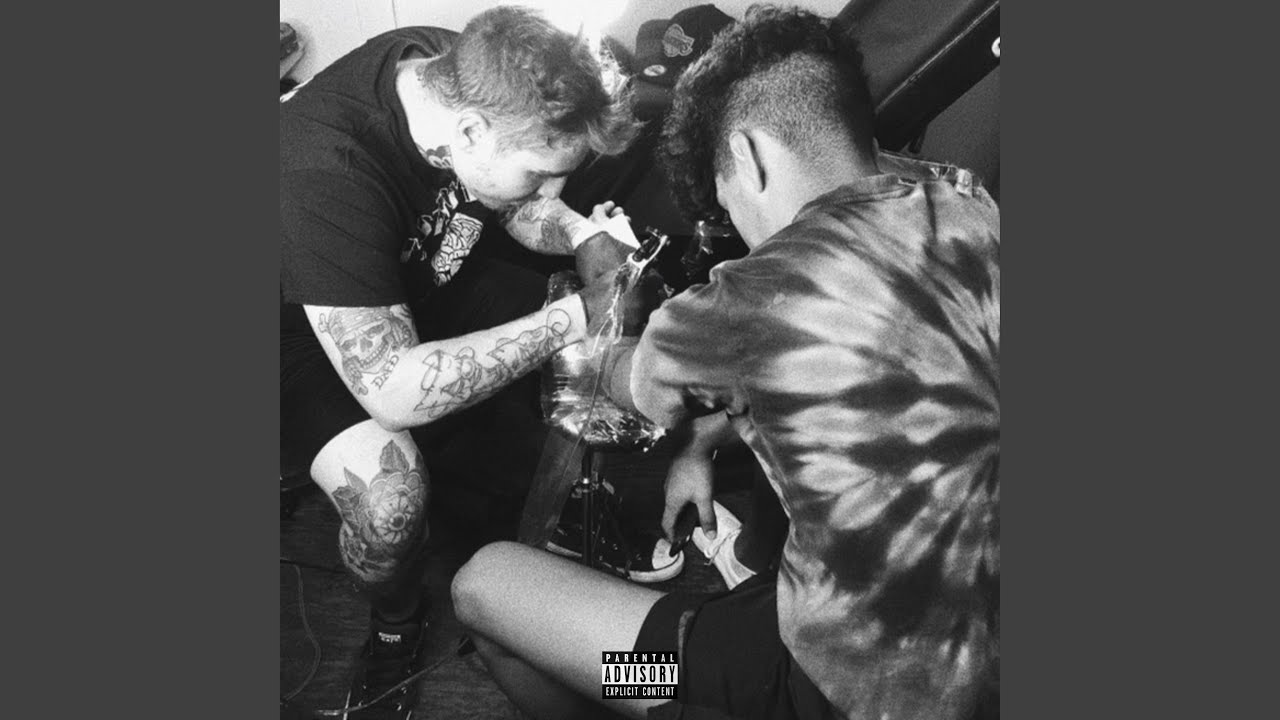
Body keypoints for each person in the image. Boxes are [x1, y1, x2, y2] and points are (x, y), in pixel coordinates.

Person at [450, 5, 1000, 720]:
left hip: (829, 692)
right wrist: (703, 442)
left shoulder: (754, 292)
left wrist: (597, 313)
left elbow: (627, 381)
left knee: (485, 590)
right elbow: (881, 379)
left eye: (725, 200)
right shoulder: (971, 205)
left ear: (748, 155)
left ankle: (652, 699)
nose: (736, 226)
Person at [280, 7, 650, 718]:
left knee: (585, 334)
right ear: (471, 133)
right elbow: (392, 390)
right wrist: (577, 313)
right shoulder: (323, 169)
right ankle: (396, 622)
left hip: (416, 280)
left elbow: (516, 207)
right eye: (540, 174)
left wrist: (584, 237)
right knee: (390, 505)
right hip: (301, 330)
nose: (551, 193)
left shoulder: (458, 69)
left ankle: (557, 520)